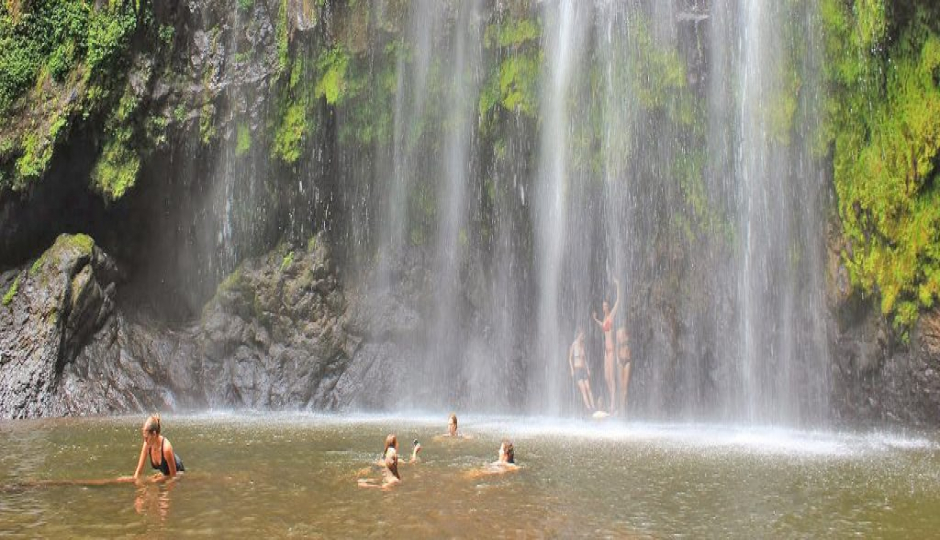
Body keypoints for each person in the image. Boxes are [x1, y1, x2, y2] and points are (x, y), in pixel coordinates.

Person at [593, 278, 621, 413]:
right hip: (606, 351)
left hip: (611, 351)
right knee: (606, 377)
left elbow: (618, 301)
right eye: (603, 306)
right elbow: (602, 326)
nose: (603, 307)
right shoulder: (604, 319)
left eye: (605, 306)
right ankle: (612, 400)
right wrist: (595, 319)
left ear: (608, 307)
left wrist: (618, 286)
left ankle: (613, 404)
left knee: (611, 377)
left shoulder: (611, 316)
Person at [133, 414, 184, 481]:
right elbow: (138, 472)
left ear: (154, 434)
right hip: (165, 473)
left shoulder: (166, 449)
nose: (145, 440)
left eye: (146, 438)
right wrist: (137, 485)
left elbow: (173, 476)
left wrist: (160, 479)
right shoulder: (147, 444)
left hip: (178, 473)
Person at [568, 329, 595, 412]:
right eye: (582, 335)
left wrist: (588, 369)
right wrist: (572, 370)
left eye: (583, 335)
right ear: (578, 335)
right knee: (583, 389)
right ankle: (588, 408)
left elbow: (585, 359)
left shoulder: (582, 345)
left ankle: (594, 407)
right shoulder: (574, 344)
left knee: (588, 388)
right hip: (577, 370)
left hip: (583, 370)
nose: (583, 337)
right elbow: (569, 358)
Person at [617, 325, 632, 416]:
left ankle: (623, 409)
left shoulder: (628, 332)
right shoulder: (618, 332)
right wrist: (617, 360)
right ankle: (620, 407)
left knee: (625, 387)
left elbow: (630, 347)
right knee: (621, 386)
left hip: (627, 361)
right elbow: (616, 346)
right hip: (620, 361)